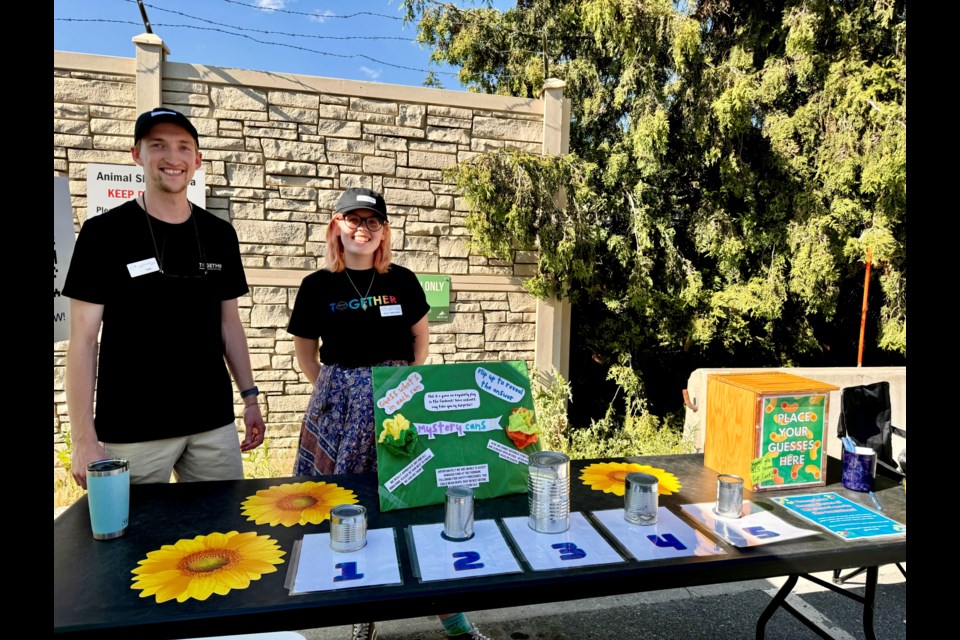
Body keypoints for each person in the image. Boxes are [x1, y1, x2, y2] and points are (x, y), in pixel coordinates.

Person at [288, 187, 489, 640]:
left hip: (399, 405)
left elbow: (421, 337)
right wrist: (335, 388)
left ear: (384, 233)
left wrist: (402, 384)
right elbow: (306, 351)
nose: (362, 228)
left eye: (372, 221)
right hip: (342, 412)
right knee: (354, 509)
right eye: (353, 219)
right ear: (336, 227)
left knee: (417, 501)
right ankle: (365, 611)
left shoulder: (402, 279)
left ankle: (452, 617)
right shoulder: (317, 286)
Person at [64, 107, 265, 489]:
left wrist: (250, 398)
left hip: (212, 425)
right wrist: (84, 439)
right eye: (158, 145)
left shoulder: (219, 234)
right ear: (137, 154)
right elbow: (85, 340)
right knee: (132, 544)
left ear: (197, 160)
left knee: (223, 537)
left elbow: (230, 325)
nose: (172, 157)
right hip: (133, 429)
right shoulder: (103, 234)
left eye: (183, 147)